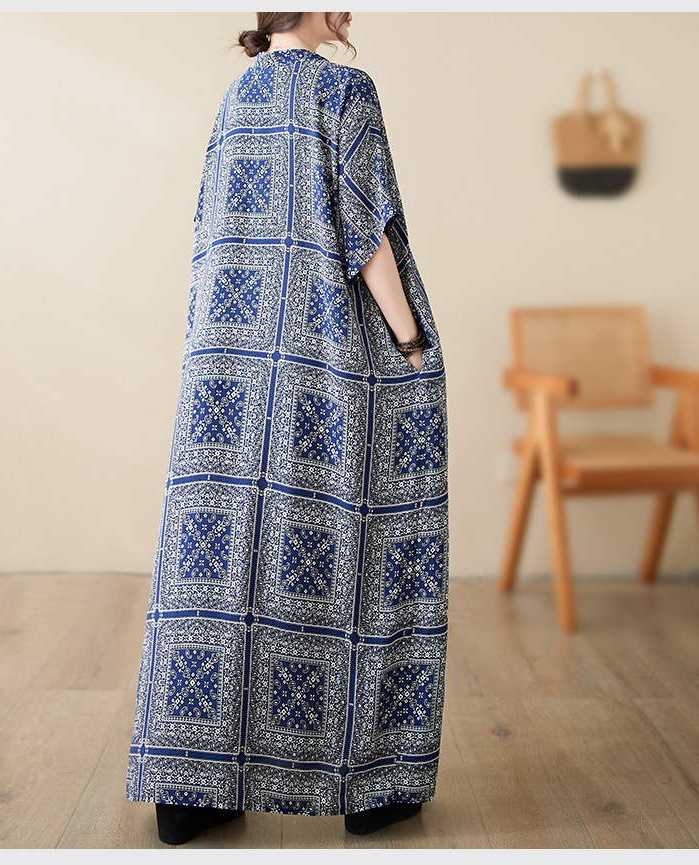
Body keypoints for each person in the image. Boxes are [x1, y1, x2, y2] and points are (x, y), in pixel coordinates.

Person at [126, 12, 449, 846]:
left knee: (221, 556)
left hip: (229, 362)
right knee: (364, 547)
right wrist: (410, 338)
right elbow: (365, 231)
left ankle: (192, 793)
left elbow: (211, 235)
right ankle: (374, 784)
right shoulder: (344, 90)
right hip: (330, 354)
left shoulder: (236, 97)